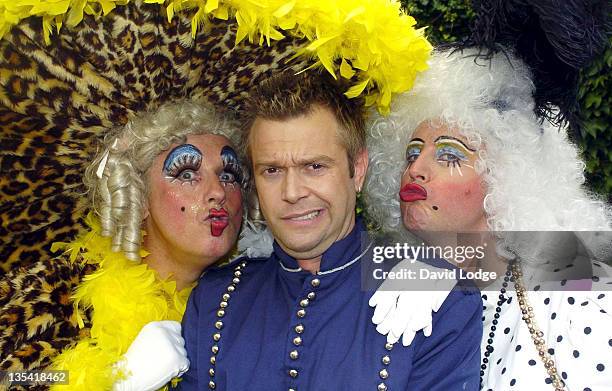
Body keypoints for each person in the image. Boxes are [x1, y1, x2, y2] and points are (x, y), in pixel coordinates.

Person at [179, 71, 483, 390]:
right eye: (271, 170)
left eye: (315, 167)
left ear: (358, 170)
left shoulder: (438, 296)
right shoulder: (216, 296)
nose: (292, 192)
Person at [364, 48, 612, 391]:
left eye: (449, 154)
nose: (415, 170)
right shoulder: (392, 288)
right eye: (411, 153)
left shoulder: (575, 292)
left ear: (504, 175)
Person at [0, 100, 246, 390]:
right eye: (187, 174)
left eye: (228, 175)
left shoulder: (245, 307)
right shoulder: (56, 287)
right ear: (138, 198)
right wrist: (121, 380)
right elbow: (10, 377)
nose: (218, 191)